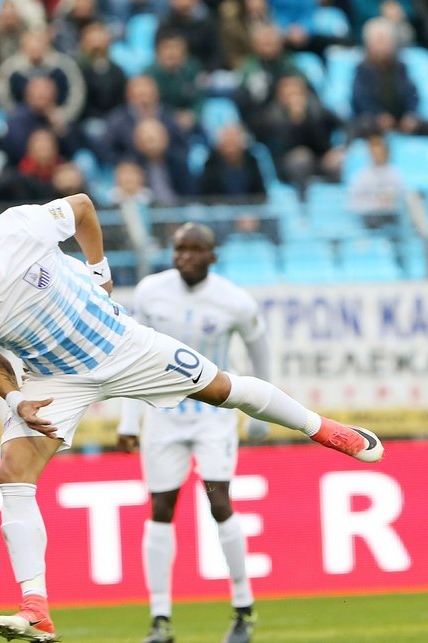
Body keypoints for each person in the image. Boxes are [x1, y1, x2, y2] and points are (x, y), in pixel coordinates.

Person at [0, 193, 383, 643]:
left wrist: (99, 272)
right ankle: (36, 608)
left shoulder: (20, 227)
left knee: (223, 390)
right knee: (12, 474)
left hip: (121, 345)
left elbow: (82, 206)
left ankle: (325, 430)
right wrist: (15, 400)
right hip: (54, 379)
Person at [116, 223, 270, 643]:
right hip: (162, 417)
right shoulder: (151, 292)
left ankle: (243, 609)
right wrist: (128, 421)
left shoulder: (234, 300)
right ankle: (160, 619)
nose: (184, 256)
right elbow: (132, 358)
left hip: (214, 417)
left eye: (194, 249)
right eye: (179, 249)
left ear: (212, 256)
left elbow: (260, 350)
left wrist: (260, 411)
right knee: (160, 509)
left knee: (219, 502)